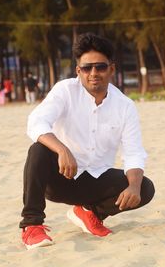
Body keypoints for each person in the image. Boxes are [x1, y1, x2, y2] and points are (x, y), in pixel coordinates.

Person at [20, 32, 155, 250]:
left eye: (100, 67)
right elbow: (35, 122)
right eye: (86, 68)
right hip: (60, 176)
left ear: (111, 68)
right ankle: (32, 225)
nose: (93, 73)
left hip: (95, 180)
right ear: (78, 71)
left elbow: (134, 153)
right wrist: (62, 149)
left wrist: (134, 187)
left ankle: (89, 213)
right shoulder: (65, 91)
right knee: (39, 149)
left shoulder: (125, 106)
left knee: (145, 188)